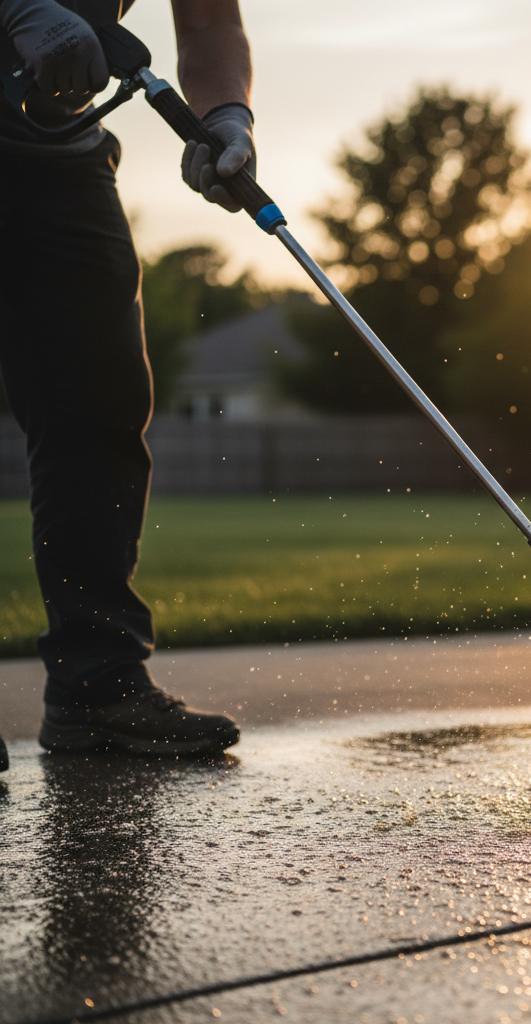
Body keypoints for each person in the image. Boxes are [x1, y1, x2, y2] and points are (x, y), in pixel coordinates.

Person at [0, 0, 256, 769]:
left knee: (100, 406)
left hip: (60, 157)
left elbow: (209, 24)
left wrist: (229, 118)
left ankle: (96, 686)